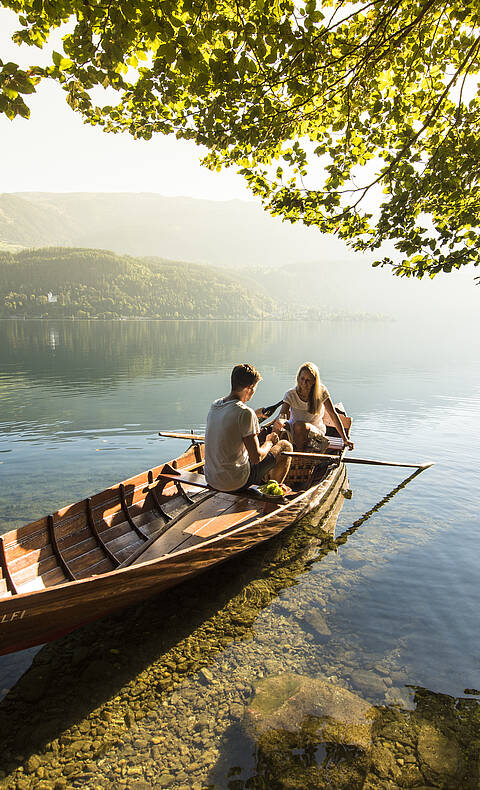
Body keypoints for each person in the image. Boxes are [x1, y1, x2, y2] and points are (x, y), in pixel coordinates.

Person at [204, 363, 293, 493]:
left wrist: (256, 415)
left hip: (211, 479)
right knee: (285, 446)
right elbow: (256, 458)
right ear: (249, 388)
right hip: (235, 482)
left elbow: (233, 421)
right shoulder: (245, 413)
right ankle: (272, 494)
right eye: (254, 388)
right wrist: (270, 442)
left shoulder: (216, 405)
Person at [273, 362, 354, 452]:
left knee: (300, 426)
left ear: (314, 381)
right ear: (298, 378)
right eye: (302, 378)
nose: (304, 383)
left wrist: (345, 439)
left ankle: (300, 455)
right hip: (294, 429)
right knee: (281, 426)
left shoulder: (321, 392)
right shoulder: (290, 394)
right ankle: (273, 452)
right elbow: (282, 415)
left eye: (308, 380)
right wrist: (278, 423)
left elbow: (333, 415)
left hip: (314, 432)